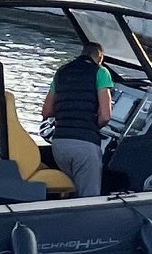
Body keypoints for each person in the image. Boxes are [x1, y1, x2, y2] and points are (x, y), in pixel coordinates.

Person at [40, 40, 112, 196]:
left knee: (71, 191)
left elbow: (46, 111)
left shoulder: (62, 71)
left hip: (59, 145)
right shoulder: (100, 72)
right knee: (88, 197)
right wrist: (93, 126)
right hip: (84, 146)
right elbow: (106, 115)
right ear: (99, 57)